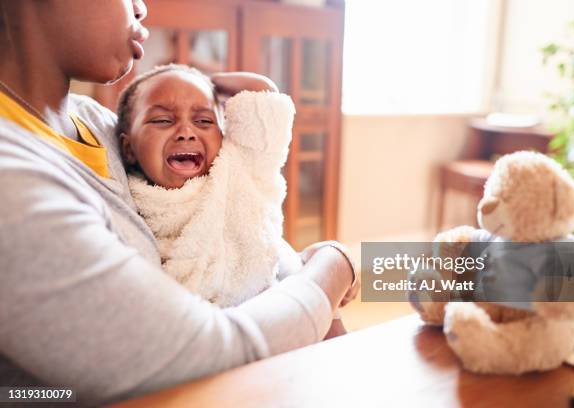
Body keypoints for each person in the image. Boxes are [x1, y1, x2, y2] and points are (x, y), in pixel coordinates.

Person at [0, 1, 357, 405]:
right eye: (163, 119)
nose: (140, 6)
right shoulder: (11, 178)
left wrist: (296, 271)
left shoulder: (94, 121)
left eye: (203, 120)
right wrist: (333, 268)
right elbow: (207, 355)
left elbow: (236, 217)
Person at [117, 63, 348, 333]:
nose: (186, 131)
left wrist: (203, 80)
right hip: (208, 338)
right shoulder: (127, 200)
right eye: (162, 120)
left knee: (335, 334)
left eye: (204, 120)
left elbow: (265, 97)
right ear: (128, 148)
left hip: (280, 305)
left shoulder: (237, 167)